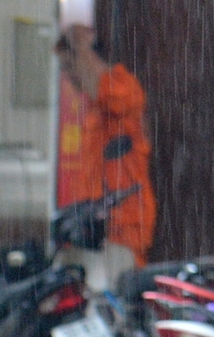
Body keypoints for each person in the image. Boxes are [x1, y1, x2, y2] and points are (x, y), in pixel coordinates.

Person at [54, 25, 156, 288]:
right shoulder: (94, 108)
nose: (68, 76)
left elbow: (109, 92)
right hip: (93, 232)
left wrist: (82, 49)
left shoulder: (123, 89)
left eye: (69, 66)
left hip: (121, 231)